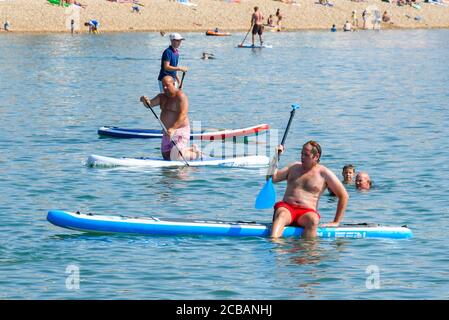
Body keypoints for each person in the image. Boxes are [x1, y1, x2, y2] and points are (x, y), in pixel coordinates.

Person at [271, 141, 349, 239]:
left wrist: (336, 222)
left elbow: (344, 196)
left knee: (314, 220)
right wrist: (275, 157)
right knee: (281, 215)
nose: (302, 157)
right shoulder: (293, 167)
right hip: (287, 209)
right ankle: (274, 245)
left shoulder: (324, 173)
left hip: (306, 213)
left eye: (306, 155)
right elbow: (272, 178)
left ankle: (308, 252)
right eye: (301, 154)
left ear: (316, 156)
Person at [140, 76, 202, 161]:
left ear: (173, 84)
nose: (165, 88)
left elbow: (183, 114)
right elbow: (149, 105)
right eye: (163, 85)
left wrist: (173, 128)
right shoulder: (161, 96)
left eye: (167, 85)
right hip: (167, 131)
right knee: (166, 156)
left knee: (175, 156)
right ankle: (189, 149)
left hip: (180, 129)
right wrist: (144, 101)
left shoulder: (180, 96)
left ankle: (196, 154)